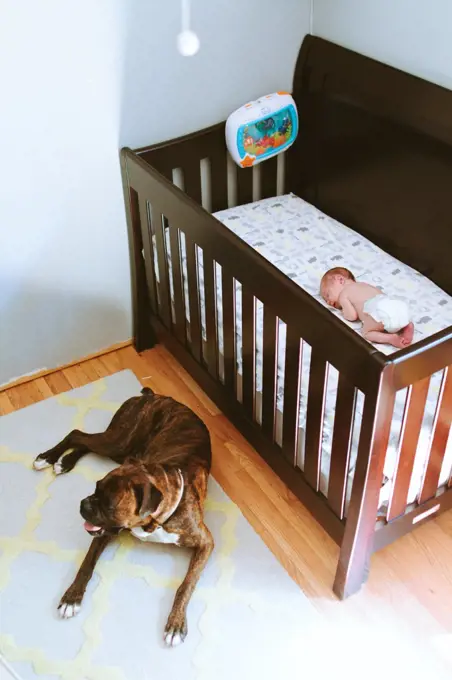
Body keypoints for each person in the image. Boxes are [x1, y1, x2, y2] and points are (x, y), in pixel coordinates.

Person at [320, 267, 414, 348]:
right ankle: (406, 325)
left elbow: (352, 316)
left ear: (340, 279)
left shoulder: (343, 295)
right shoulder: (364, 285)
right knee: (393, 319)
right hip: (396, 307)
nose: (328, 302)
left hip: (377, 312)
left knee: (367, 333)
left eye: (327, 295)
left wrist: (344, 311)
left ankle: (391, 338)